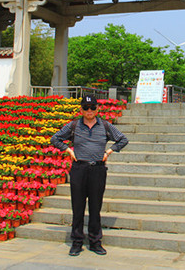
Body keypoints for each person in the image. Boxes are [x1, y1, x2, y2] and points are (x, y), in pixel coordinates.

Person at [51, 94, 129, 257]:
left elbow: (122, 139)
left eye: (92, 107)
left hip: (97, 170)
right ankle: (77, 242)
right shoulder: (74, 125)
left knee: (95, 207)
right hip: (79, 169)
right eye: (86, 108)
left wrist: (109, 151)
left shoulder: (105, 126)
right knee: (78, 207)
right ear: (81, 109)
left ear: (97, 109)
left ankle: (95, 242)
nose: (89, 111)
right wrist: (68, 150)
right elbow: (55, 138)